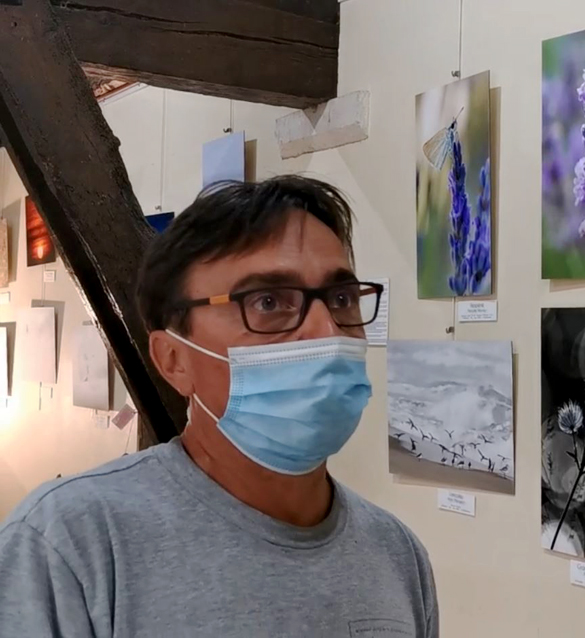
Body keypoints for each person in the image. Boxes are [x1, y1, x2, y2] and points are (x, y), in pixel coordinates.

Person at [0, 177, 439, 637]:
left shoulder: (396, 555)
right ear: (174, 360)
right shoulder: (70, 544)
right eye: (268, 302)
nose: (327, 332)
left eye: (342, 299)